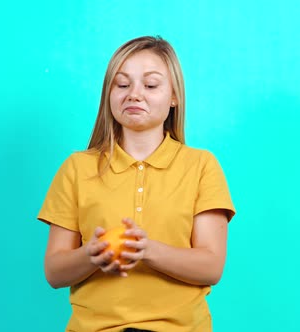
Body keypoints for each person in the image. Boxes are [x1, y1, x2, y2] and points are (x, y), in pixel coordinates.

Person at [37, 36, 235, 332]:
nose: (134, 94)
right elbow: (54, 271)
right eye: (122, 84)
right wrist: (90, 255)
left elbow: (211, 266)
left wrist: (146, 250)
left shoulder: (201, 166)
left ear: (174, 96)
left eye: (151, 85)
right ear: (109, 94)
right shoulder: (77, 168)